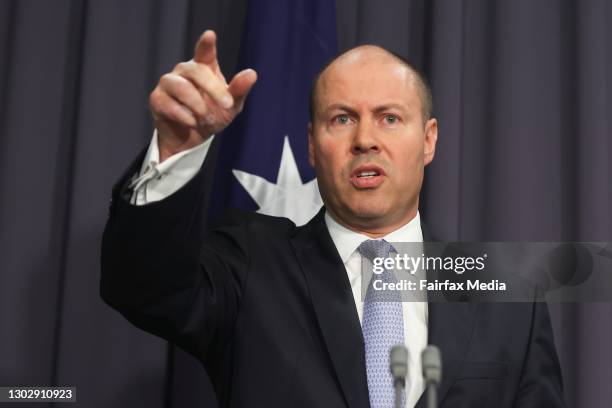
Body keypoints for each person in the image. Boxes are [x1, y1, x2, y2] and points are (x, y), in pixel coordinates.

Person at [101, 30, 565, 407]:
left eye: (389, 118)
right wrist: (178, 152)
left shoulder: (508, 297)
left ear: (428, 140)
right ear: (311, 144)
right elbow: (144, 287)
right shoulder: (250, 263)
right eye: (342, 119)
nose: (365, 139)